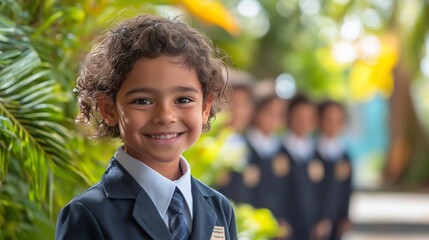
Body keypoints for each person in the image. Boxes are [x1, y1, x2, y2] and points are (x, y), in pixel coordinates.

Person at [55, 15, 237, 240]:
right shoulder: (88, 214)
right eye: (143, 101)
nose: (165, 116)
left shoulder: (219, 208)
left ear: (205, 107)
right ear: (108, 109)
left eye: (183, 100)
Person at [242, 82, 290, 239]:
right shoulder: (243, 148)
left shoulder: (281, 150)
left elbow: (285, 190)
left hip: (276, 224)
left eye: (279, 114)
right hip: (250, 226)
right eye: (269, 112)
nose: (273, 119)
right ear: (256, 111)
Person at [281, 94, 322, 240]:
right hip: (287, 224)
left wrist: (321, 218)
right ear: (289, 117)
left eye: (309, 118)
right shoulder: (279, 152)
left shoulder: (317, 153)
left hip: (311, 224)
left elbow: (322, 191)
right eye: (299, 117)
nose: (304, 123)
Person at [216, 69, 256, 205]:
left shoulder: (247, 144)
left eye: (244, 104)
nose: (238, 111)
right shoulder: (207, 146)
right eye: (232, 103)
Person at [314, 100, 352, 240]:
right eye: (328, 119)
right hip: (316, 222)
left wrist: (345, 215)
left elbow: (347, 188)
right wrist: (319, 217)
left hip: (336, 219)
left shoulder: (343, 154)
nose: (333, 124)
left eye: (338, 120)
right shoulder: (312, 152)